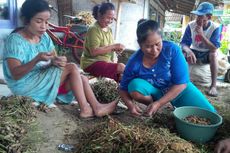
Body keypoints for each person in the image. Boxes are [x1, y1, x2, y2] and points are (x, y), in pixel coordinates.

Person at [3, 0, 117, 118]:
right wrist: (36, 59)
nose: (44, 26)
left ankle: (96, 107)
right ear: (26, 20)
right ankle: (85, 109)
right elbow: (15, 74)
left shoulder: (44, 37)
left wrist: (57, 61)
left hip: (39, 78)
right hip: (24, 85)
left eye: (47, 22)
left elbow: (55, 58)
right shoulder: (15, 40)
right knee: (72, 67)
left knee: (81, 78)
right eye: (38, 21)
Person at [119, 19, 216, 117]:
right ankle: (152, 105)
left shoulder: (172, 50)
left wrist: (159, 103)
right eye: (148, 46)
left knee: (210, 114)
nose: (154, 50)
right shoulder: (134, 62)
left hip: (178, 90)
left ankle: (160, 104)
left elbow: (181, 83)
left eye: (157, 44)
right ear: (140, 45)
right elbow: (123, 88)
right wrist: (130, 106)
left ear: (162, 38)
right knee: (134, 86)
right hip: (156, 92)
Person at [180, 2, 221, 97]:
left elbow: (214, 48)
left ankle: (213, 86)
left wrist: (202, 35)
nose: (197, 19)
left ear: (209, 17)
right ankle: (180, 82)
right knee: (182, 53)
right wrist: (189, 51)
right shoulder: (191, 25)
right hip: (194, 51)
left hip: (207, 53)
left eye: (201, 16)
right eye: (197, 16)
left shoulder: (215, 28)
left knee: (213, 54)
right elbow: (183, 43)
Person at [80, 2, 125, 82]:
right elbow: (94, 51)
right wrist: (114, 46)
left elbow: (109, 47)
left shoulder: (109, 30)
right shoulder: (93, 29)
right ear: (100, 15)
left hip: (104, 62)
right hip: (91, 63)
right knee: (121, 67)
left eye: (112, 19)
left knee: (123, 77)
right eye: (108, 18)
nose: (110, 21)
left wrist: (115, 50)